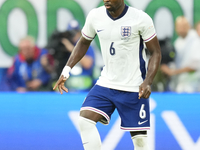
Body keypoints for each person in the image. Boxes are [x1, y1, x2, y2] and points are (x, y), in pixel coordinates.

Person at [53, 0, 161, 150]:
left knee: (140, 142)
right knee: (85, 120)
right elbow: (84, 42)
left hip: (134, 87)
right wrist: (66, 69)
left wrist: (148, 81)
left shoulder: (140, 19)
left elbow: (155, 52)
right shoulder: (95, 15)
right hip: (106, 83)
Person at [161, 16, 200, 92]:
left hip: (193, 84)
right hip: (180, 84)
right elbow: (175, 63)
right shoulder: (178, 42)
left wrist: (173, 72)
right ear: (176, 28)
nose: (181, 28)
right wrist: (166, 68)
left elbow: (195, 65)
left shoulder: (195, 40)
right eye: (179, 26)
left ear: (188, 26)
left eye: (184, 26)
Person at [62, 20, 96, 92]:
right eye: (71, 33)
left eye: (76, 32)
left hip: (85, 88)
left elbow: (88, 64)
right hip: (68, 88)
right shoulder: (64, 48)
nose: (74, 35)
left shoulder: (87, 46)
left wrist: (72, 49)